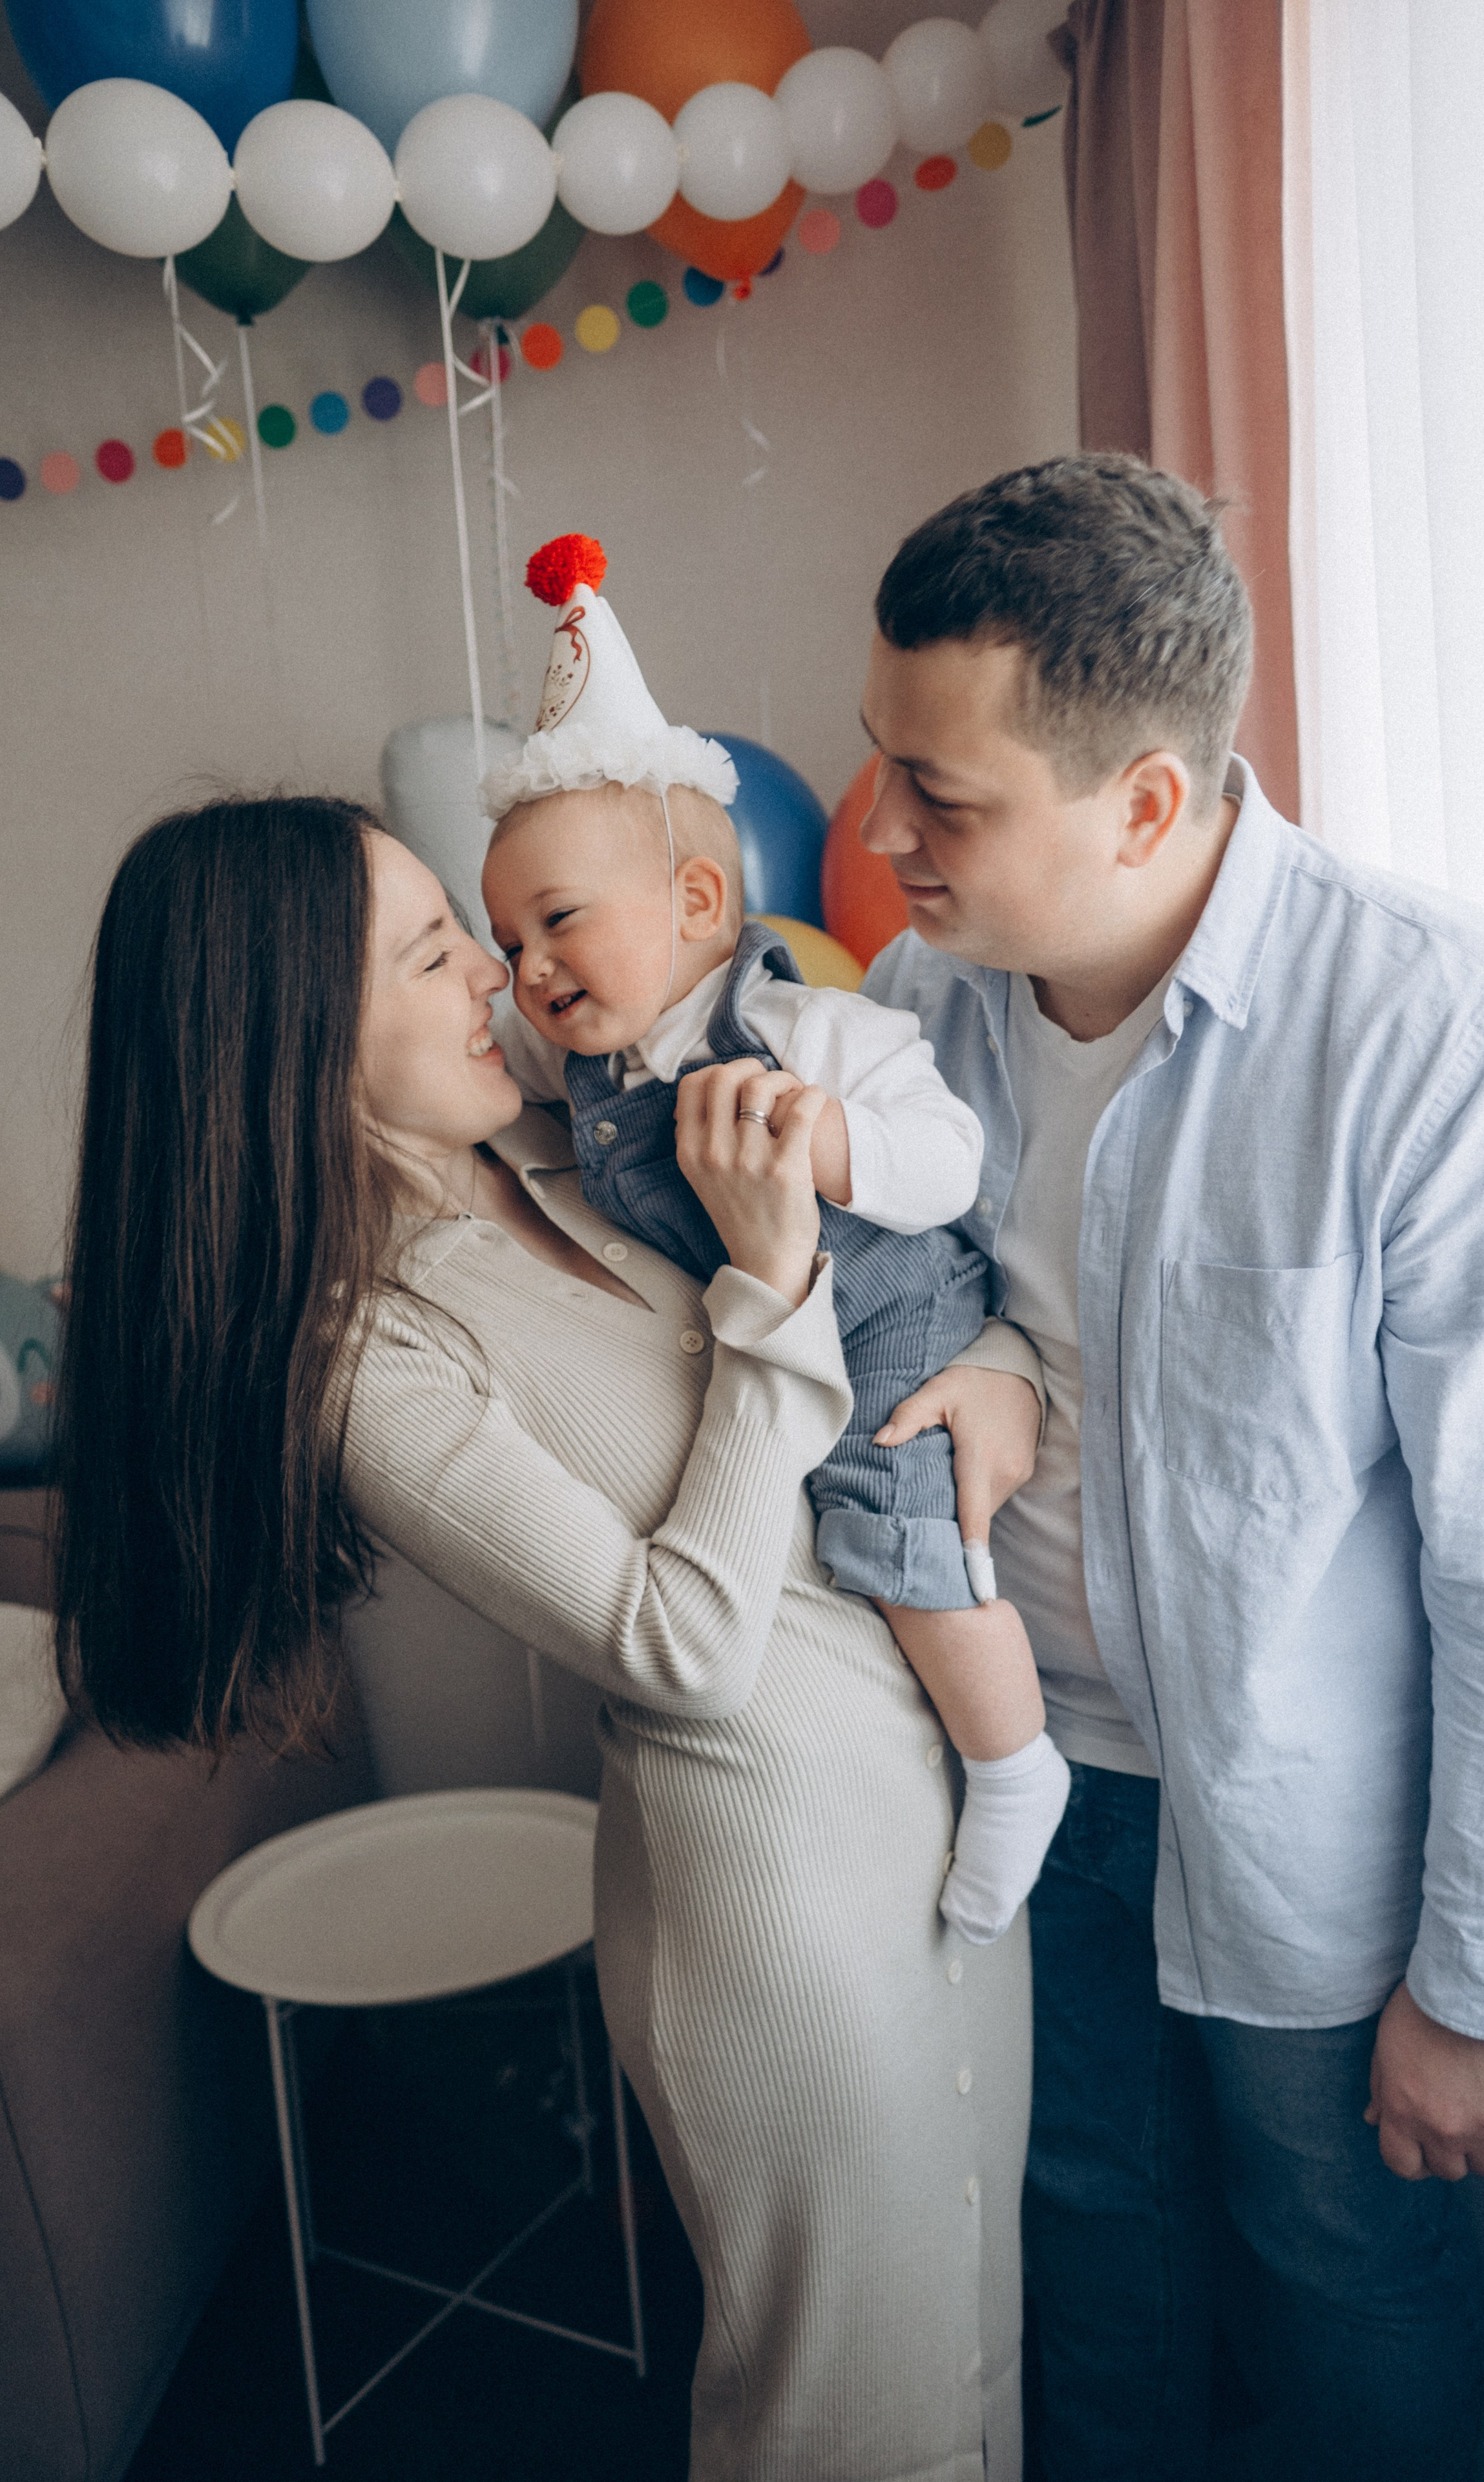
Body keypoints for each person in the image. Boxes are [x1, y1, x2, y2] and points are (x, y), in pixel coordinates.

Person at [52, 792, 1045, 2481]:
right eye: (432, 950)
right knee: (845, 2423)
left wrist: (996, 1371)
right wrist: (771, 1290)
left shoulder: (572, 1148)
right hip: (778, 1906)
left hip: (934, 1829)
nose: (493, 976)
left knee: (970, 2352)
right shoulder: (365, 1356)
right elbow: (681, 1645)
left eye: (475, 931)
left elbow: (891, 1289)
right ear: (293, 1041)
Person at [854, 454, 1484, 2480]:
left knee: (1342, 2283)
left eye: (941, 792)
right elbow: (905, 1318)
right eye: (878, 762)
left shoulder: (1430, 1026)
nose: (882, 830)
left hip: (1314, 1833)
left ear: (1147, 803)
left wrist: (1482, 1984)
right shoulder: (914, 1010)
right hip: (1026, 1784)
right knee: (1089, 2264)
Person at [479, 531, 1069, 1944]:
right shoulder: (583, 1059)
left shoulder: (806, 1024)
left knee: (896, 1532)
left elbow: (948, 1161)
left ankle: (1013, 1764)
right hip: (781, 1331)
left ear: (696, 902)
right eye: (505, 943)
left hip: (892, 1313)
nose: (531, 969)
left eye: (558, 923)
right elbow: (493, 1070)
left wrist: (830, 1142)